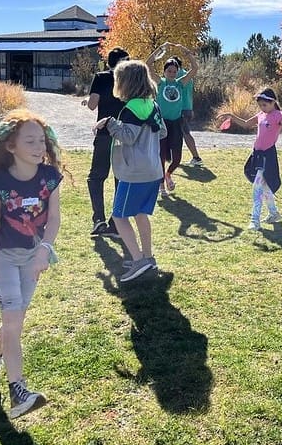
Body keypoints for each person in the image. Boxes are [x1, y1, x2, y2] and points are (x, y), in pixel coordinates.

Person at [0, 109, 63, 419]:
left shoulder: (50, 176)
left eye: (42, 140)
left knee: (15, 321)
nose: (39, 147)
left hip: (32, 257)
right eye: (30, 142)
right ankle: (18, 390)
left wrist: (44, 251)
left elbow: (53, 219)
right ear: (11, 146)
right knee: (13, 322)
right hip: (3, 258)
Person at [93, 60, 166, 282]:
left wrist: (109, 125)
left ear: (125, 83)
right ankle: (148, 256)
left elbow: (128, 136)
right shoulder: (152, 105)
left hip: (134, 173)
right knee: (140, 214)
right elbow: (161, 132)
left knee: (119, 216)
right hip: (152, 171)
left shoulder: (131, 108)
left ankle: (139, 260)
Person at [217, 87, 282, 231]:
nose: (262, 107)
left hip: (268, 156)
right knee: (265, 187)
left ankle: (254, 220)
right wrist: (231, 115)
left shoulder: (277, 115)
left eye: (265, 105)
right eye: (260, 105)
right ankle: (274, 214)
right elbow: (245, 123)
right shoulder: (261, 114)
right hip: (257, 154)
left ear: (273, 102)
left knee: (257, 188)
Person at [83, 47, 130, 238]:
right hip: (124, 134)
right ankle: (117, 222)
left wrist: (87, 100)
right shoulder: (129, 78)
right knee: (121, 178)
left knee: (96, 176)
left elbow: (93, 104)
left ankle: (98, 219)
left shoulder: (101, 78)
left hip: (104, 133)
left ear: (109, 62)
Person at [146, 43, 198, 197]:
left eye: (174, 71)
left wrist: (186, 52)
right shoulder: (160, 82)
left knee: (177, 159)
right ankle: (161, 185)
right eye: (169, 71)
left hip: (176, 123)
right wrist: (159, 49)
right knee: (161, 156)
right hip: (162, 124)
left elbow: (194, 69)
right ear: (164, 71)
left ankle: (168, 174)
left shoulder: (180, 83)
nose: (172, 73)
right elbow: (148, 65)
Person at [171, 55, 204, 167]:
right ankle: (175, 157)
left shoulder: (176, 75)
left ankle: (196, 157)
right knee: (180, 134)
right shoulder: (187, 74)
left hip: (180, 108)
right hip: (188, 108)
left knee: (185, 133)